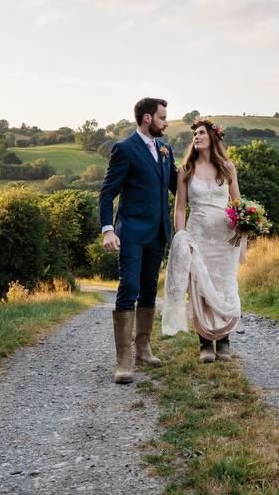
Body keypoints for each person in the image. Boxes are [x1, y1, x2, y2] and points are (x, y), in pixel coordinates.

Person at [99, 97, 177, 384]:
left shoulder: (166, 149)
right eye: (162, 117)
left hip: (158, 233)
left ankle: (143, 348)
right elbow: (107, 193)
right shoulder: (125, 149)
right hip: (130, 232)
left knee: (147, 290)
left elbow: (177, 184)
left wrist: (211, 168)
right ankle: (123, 360)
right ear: (147, 118)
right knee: (129, 286)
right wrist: (108, 229)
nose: (166, 122)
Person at [162, 119, 243, 363]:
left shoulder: (227, 168)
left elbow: (237, 203)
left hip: (225, 238)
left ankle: (225, 339)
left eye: (200, 133)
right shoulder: (186, 170)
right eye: (194, 134)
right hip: (197, 235)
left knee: (224, 285)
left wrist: (245, 226)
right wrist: (181, 237)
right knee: (199, 287)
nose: (196, 137)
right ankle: (206, 342)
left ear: (212, 137)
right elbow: (179, 208)